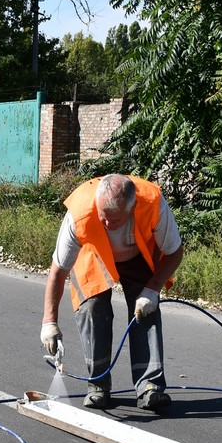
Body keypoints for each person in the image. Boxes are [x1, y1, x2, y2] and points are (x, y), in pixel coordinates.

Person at [41, 174, 184, 411]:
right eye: (103, 217)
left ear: (131, 208)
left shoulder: (152, 202)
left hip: (139, 255)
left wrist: (152, 289)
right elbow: (58, 272)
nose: (107, 224)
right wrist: (49, 322)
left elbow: (174, 252)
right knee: (92, 309)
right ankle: (98, 385)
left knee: (146, 311)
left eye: (114, 219)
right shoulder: (80, 212)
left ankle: (150, 386)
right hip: (94, 255)